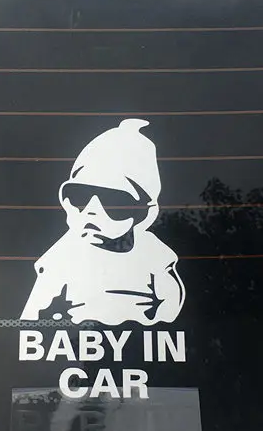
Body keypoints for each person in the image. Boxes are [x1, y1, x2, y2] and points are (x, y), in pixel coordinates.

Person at [21, 119, 185, 325]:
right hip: (77, 341)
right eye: (79, 196)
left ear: (146, 212)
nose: (91, 210)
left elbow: (170, 307)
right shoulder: (63, 256)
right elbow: (30, 322)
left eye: (113, 200)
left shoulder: (153, 253)